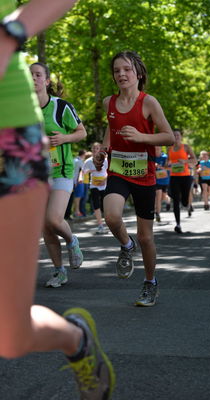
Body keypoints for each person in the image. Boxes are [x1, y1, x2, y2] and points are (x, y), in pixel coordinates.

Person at [0, 0, 115, 399]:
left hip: (10, 128)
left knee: (9, 335)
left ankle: (76, 340)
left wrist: (10, 32)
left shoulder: (57, 106)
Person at [96, 51, 174, 307]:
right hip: (118, 171)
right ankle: (126, 245)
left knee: (146, 237)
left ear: (138, 73)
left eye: (126, 69)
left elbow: (168, 137)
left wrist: (143, 137)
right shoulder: (109, 102)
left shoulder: (148, 102)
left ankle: (150, 283)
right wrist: (102, 154)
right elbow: (111, 130)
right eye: (117, 70)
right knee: (112, 216)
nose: (121, 74)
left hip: (144, 174)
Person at [30, 61, 86, 288]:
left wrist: (63, 138)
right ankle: (59, 271)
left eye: (37, 74)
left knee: (54, 219)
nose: (33, 78)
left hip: (62, 171)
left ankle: (72, 241)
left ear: (46, 80)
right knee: (45, 227)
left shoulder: (60, 107)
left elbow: (81, 132)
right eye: (29, 75)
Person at [168, 129, 197, 233]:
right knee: (175, 200)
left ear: (181, 137)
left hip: (185, 177)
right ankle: (178, 224)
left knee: (184, 201)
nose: (176, 136)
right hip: (174, 177)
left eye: (177, 135)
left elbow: (195, 160)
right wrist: (169, 164)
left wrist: (185, 161)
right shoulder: (169, 148)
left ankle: (186, 204)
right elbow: (168, 163)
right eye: (174, 135)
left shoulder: (186, 147)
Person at [83, 142, 109, 234]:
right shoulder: (88, 161)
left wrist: (104, 180)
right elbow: (83, 172)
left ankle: (108, 224)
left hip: (104, 185)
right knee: (96, 205)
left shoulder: (105, 160)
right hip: (94, 185)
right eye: (93, 148)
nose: (94, 150)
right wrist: (86, 173)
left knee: (105, 206)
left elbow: (111, 172)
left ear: (100, 150)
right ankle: (100, 225)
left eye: (97, 148)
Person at [154, 146, 170, 222]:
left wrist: (160, 167)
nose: (156, 150)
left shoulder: (165, 157)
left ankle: (168, 201)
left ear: (160, 149)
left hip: (165, 180)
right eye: (155, 149)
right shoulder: (152, 157)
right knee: (158, 197)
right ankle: (157, 214)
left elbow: (170, 168)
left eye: (158, 149)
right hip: (156, 181)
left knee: (164, 197)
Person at [73, 149, 86, 217]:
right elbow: (82, 171)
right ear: (83, 154)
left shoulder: (74, 159)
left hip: (75, 181)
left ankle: (76, 211)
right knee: (78, 197)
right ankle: (77, 212)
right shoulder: (79, 161)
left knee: (77, 197)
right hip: (78, 181)